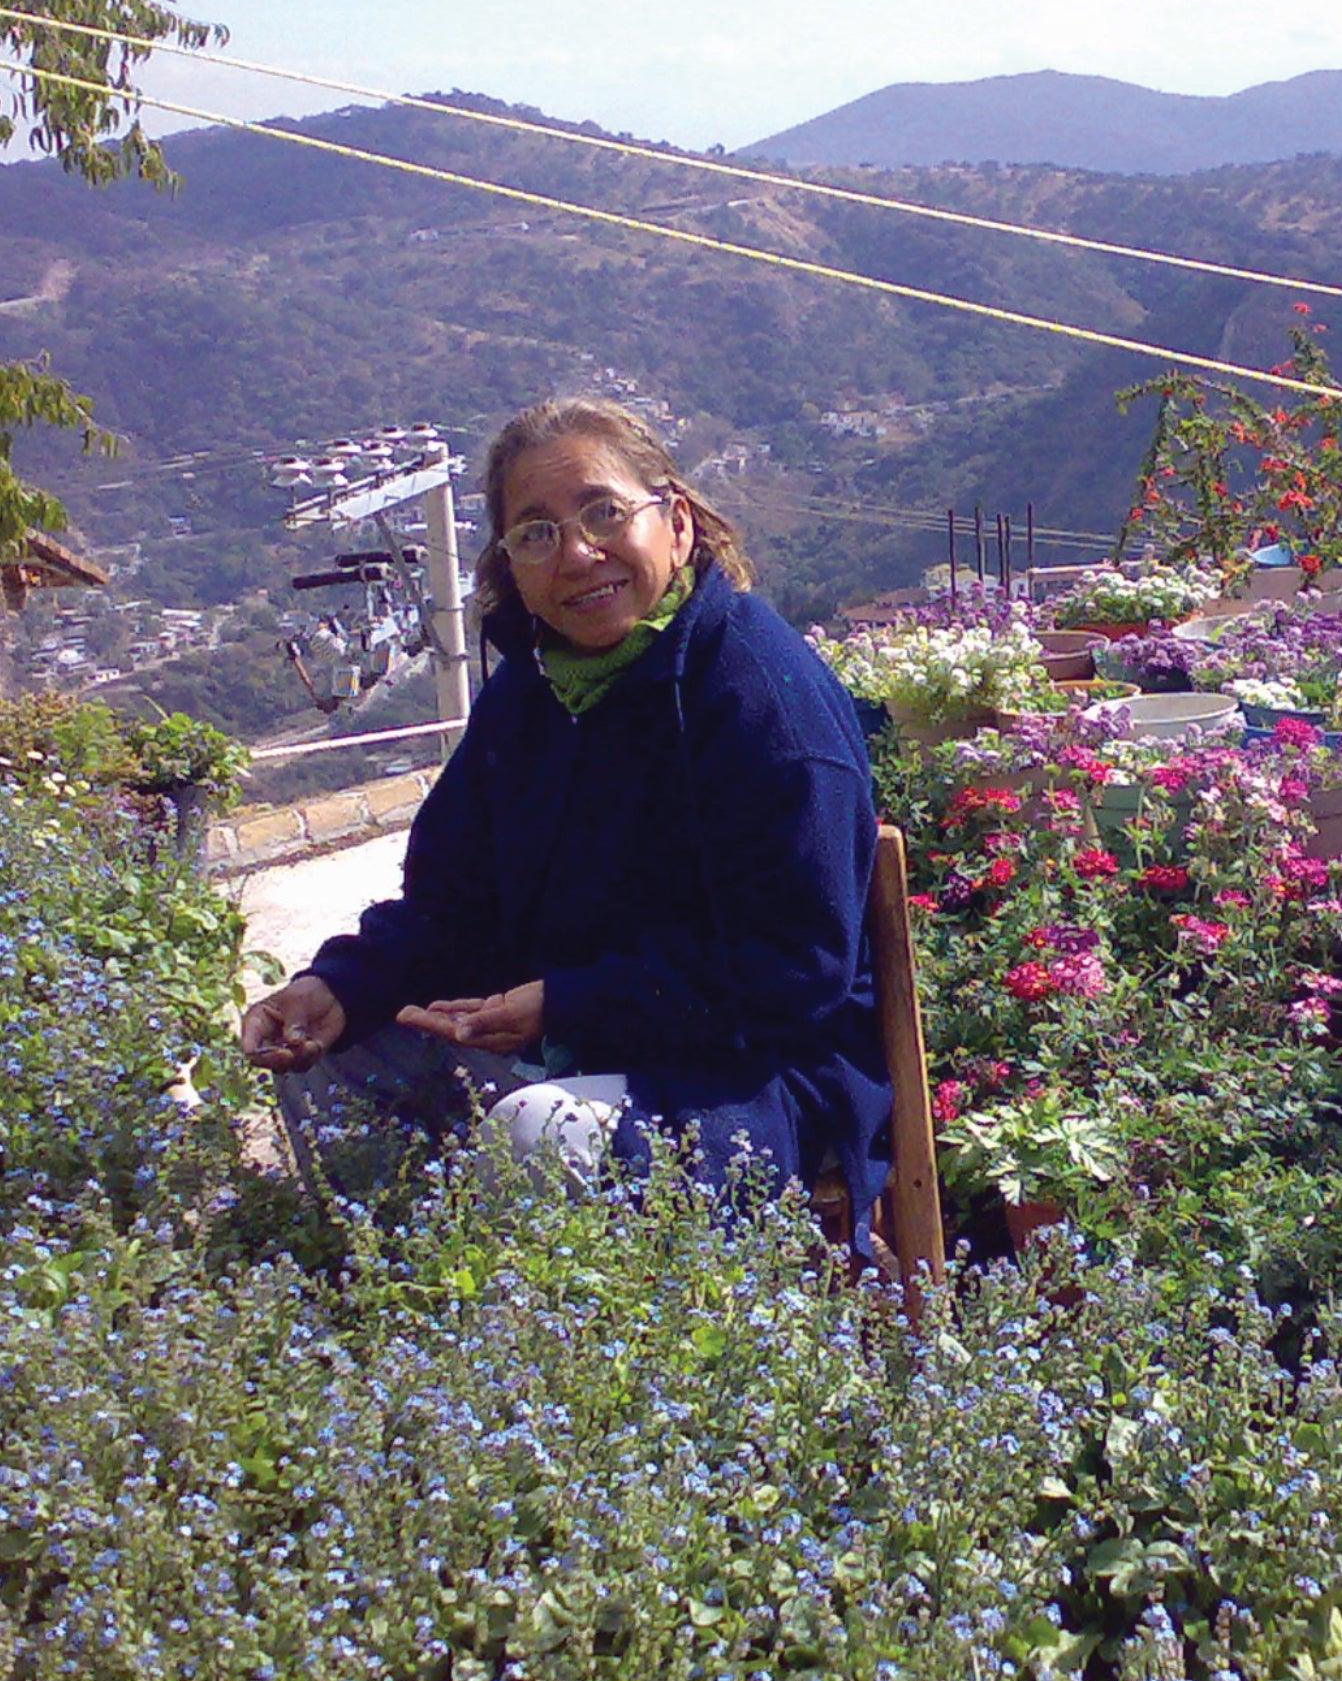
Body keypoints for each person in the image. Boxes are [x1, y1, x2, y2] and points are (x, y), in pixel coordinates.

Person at [241, 398, 893, 1241]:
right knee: (331, 1057)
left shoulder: (760, 699)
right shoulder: (536, 691)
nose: (579, 552)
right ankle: (396, 1309)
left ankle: (538, 1350)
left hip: (756, 1074)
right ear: (511, 564)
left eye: (604, 512)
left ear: (678, 525)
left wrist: (570, 1003)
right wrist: (342, 985)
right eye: (538, 533)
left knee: (537, 1138)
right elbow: (452, 905)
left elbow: (795, 967)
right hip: (579, 1042)